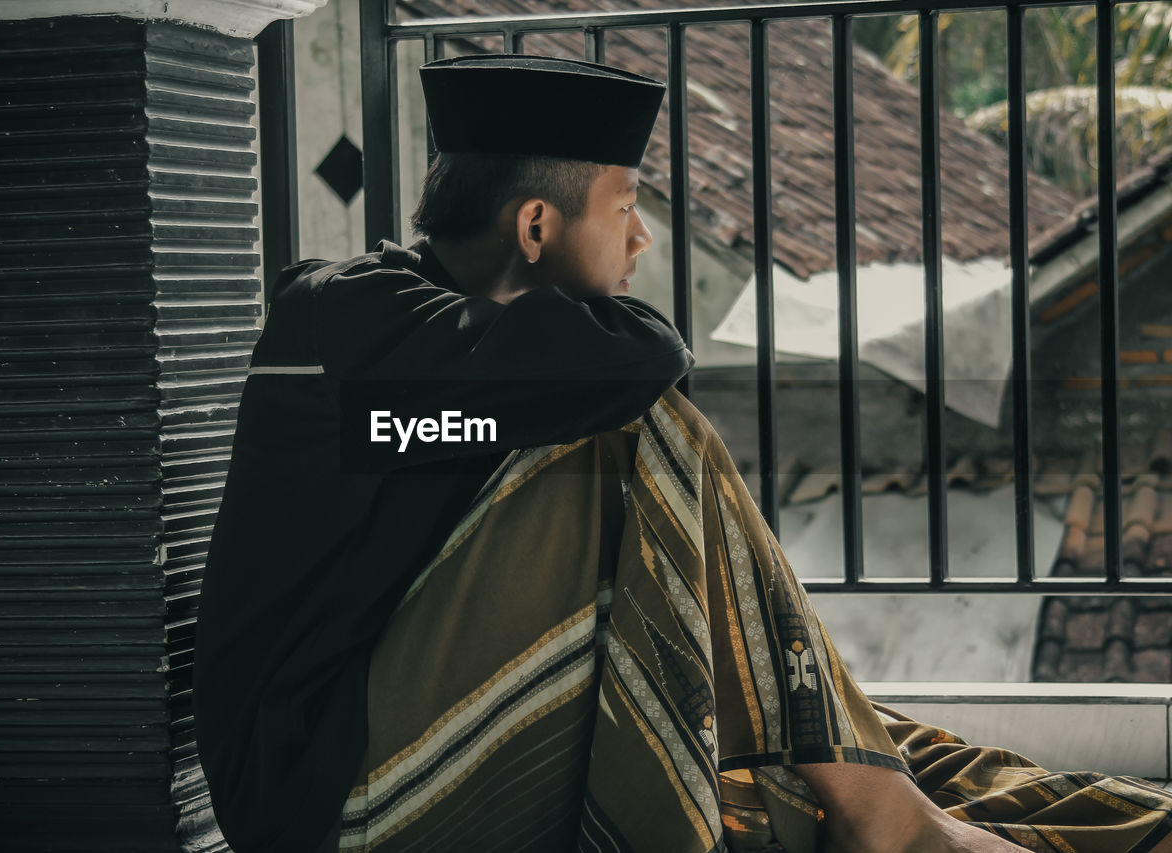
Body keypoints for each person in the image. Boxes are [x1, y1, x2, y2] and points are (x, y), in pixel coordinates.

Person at [192, 55, 1172, 853]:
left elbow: (525, 397)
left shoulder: (467, 361)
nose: (643, 236)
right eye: (623, 206)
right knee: (630, 424)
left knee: (844, 756)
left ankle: (1002, 811)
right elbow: (637, 358)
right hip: (334, 802)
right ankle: (891, 822)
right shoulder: (338, 317)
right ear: (535, 225)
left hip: (465, 726)